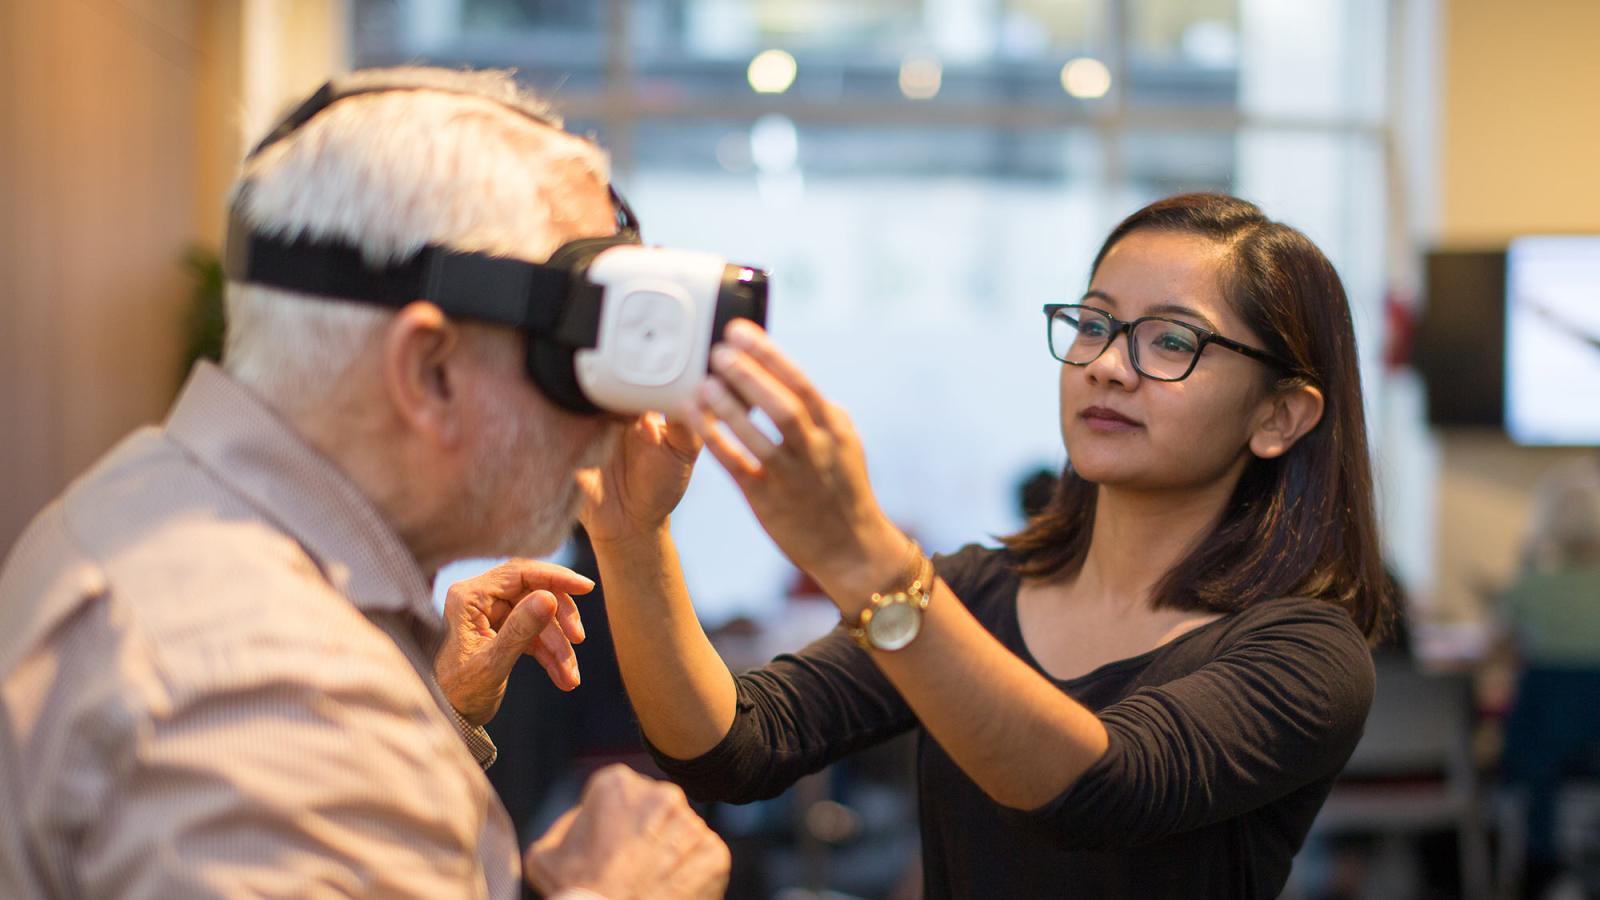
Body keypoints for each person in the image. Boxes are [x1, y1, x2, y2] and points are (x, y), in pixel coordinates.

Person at [0, 67, 727, 899]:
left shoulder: (148, 500)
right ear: (431, 371)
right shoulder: (275, 695)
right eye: (574, 356)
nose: (614, 417)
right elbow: (293, 755)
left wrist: (423, 716)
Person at [575, 193, 1393, 897]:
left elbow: (1099, 789)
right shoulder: (978, 591)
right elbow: (731, 749)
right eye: (1095, 323)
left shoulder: (1304, 650)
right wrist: (633, 535)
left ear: (1279, 415)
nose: (1108, 365)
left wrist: (871, 562)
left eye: (1173, 341)